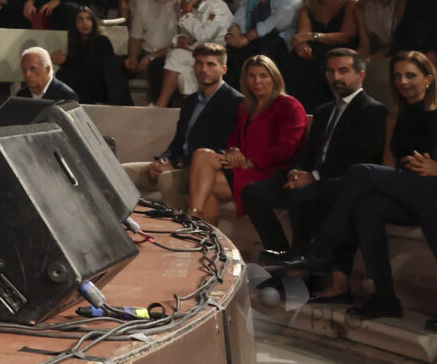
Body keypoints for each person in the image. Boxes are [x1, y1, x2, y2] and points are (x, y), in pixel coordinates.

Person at [262, 50, 437, 319]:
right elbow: (389, 166)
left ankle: (321, 248)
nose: (403, 81)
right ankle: (385, 297)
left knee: (360, 172)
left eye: (410, 75)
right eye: (397, 75)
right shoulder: (396, 116)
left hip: (431, 188)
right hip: (405, 189)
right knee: (367, 205)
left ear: (428, 78)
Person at [241, 47, 388, 257]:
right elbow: (309, 152)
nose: (336, 77)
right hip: (311, 178)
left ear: (360, 75)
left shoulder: (372, 110)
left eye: (343, 71)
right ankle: (282, 252)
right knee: (253, 192)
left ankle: (301, 261)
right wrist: (297, 171)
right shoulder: (324, 110)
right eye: (331, 71)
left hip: (341, 182)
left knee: (301, 195)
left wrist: (314, 177)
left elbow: (361, 160)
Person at [186, 55, 305, 227]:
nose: (257, 81)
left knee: (202, 185)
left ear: (274, 78)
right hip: (242, 167)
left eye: (263, 75)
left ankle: (196, 226)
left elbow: (287, 148)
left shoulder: (288, 105)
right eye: (252, 76)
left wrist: (252, 162)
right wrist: (233, 150)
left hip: (268, 172)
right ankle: (196, 219)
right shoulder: (247, 106)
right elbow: (234, 137)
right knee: (202, 155)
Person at [135, 43, 244, 211]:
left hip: (202, 168)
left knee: (167, 178)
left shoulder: (234, 101)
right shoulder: (190, 102)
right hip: (178, 164)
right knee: (124, 172)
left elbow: (218, 146)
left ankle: (179, 230)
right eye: (199, 63)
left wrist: (176, 165)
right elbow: (178, 142)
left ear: (224, 69)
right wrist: (164, 159)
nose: (203, 69)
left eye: (210, 64)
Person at [290, 0, 362, 109]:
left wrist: (314, 36)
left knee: (322, 59)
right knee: (295, 58)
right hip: (317, 53)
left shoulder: (351, 3)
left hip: (344, 48)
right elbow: (302, 36)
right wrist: (300, 45)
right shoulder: (307, 9)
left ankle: (324, 108)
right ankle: (301, 109)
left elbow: (347, 35)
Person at [126, 0, 183, 104]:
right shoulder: (142, 3)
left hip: (168, 55)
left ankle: (159, 112)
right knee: (113, 65)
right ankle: (124, 108)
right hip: (146, 53)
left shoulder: (183, 3)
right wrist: (133, 56)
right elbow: (136, 36)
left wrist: (151, 58)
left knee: (156, 66)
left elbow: (181, 42)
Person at [57, 3, 125, 104]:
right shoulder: (76, 43)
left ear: (93, 21)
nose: (85, 23)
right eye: (80, 19)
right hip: (84, 81)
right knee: (61, 74)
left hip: (100, 83)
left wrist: (67, 60)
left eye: (88, 18)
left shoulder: (102, 41)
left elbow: (95, 67)